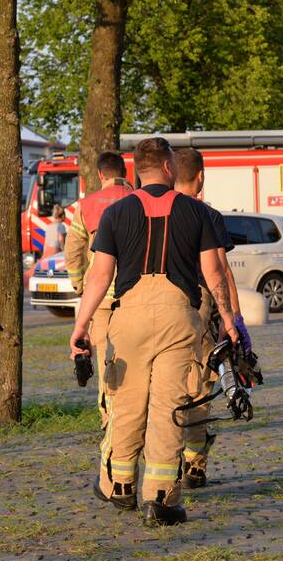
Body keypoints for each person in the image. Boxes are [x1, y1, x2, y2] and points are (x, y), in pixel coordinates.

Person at [69, 137, 238, 527]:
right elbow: (214, 274)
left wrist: (81, 326)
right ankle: (159, 499)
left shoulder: (116, 212)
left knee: (126, 405)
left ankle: (120, 486)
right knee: (167, 408)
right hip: (178, 316)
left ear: (136, 170)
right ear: (168, 168)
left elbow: (99, 276)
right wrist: (229, 321)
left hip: (127, 316)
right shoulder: (196, 213)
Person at [171, 148, 251, 488]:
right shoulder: (207, 215)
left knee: (167, 384)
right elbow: (220, 269)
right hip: (200, 304)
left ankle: (165, 455)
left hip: (162, 302)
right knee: (201, 385)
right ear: (200, 176)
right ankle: (194, 464)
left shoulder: (156, 211)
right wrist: (234, 319)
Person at [64, 152, 134, 428]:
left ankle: (111, 420)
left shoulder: (86, 205)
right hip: (135, 294)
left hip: (102, 298)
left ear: (101, 175)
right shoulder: (140, 200)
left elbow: (73, 249)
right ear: (124, 173)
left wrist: (80, 284)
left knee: (107, 358)